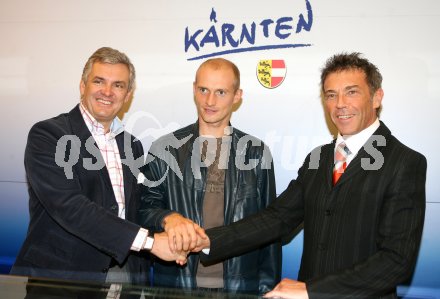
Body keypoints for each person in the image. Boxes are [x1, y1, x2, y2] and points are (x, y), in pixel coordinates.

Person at [196, 52, 427, 299]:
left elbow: (396, 262)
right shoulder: (318, 158)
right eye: (331, 95)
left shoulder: (405, 162)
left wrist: (311, 290)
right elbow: (277, 218)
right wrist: (205, 241)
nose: (340, 104)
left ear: (376, 97)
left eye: (351, 92)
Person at [10, 47, 188, 285]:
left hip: (125, 277)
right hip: (63, 280)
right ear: (83, 86)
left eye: (118, 85)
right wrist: (152, 243)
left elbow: (136, 208)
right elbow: (70, 207)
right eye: (99, 81)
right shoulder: (49, 135)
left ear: (128, 95)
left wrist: (170, 220)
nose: (107, 91)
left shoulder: (131, 145)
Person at [138, 58, 281, 294]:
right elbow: (142, 210)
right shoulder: (165, 149)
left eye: (221, 92)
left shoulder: (257, 153)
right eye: (204, 90)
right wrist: (168, 217)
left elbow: (270, 229)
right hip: (177, 288)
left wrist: (267, 291)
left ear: (237, 96)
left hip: (239, 290)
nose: (210, 101)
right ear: (194, 89)